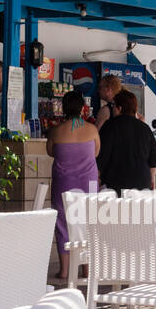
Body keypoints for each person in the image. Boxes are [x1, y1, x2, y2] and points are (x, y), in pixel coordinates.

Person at [46, 89, 101, 282]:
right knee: (87, 222)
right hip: (88, 183)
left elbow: (50, 152)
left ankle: (64, 270)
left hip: (64, 182)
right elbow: (96, 152)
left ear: (63, 107)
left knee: (62, 224)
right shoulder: (91, 129)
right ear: (82, 108)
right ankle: (87, 269)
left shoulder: (56, 131)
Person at [97, 89, 156, 192]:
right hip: (142, 185)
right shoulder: (145, 128)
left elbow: (102, 156)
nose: (113, 109)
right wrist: (151, 179)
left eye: (114, 106)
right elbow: (153, 161)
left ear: (119, 108)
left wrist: (98, 177)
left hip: (115, 185)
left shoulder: (110, 126)